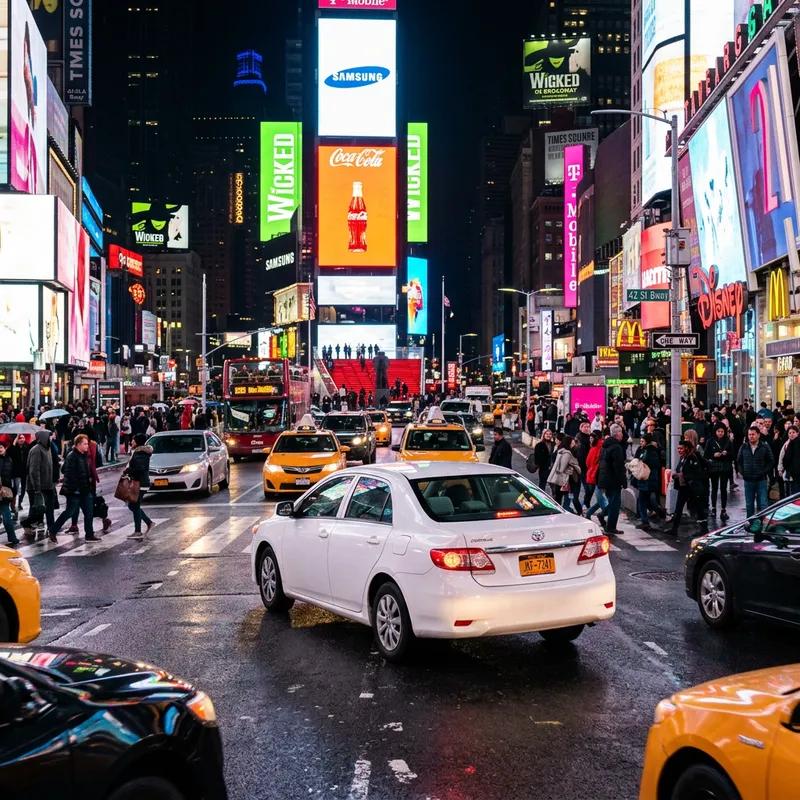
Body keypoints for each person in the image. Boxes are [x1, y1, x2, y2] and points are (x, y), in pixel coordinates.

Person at [48, 434, 96, 543]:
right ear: (78, 444)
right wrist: (76, 487)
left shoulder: (83, 455)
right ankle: (53, 530)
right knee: (69, 512)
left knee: (89, 513)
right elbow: (67, 471)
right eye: (85, 444)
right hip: (75, 490)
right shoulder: (72, 456)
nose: (87, 446)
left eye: (87, 444)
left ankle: (89, 534)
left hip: (85, 489)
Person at [21, 429, 57, 541]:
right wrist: (37, 488)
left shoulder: (48, 449)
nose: (50, 439)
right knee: (37, 510)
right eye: (49, 437)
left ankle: (52, 530)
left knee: (50, 510)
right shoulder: (36, 450)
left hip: (48, 485)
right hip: (38, 487)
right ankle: (26, 523)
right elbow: (34, 470)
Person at [737, 425, 774, 517]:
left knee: (763, 504)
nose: (751, 436)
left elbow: (771, 461)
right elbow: (739, 461)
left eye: (753, 434)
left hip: (761, 479)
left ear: (758, 435)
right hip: (748, 480)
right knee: (749, 505)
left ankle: (763, 523)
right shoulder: (744, 447)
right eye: (749, 434)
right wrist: (743, 473)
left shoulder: (764, 447)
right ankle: (750, 522)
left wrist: (763, 472)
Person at [123, 433, 154, 541]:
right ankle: (148, 522)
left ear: (137, 442)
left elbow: (140, 468)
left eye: (133, 440)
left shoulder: (140, 453)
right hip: (140, 483)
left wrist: (128, 470)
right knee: (133, 506)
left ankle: (138, 531)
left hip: (140, 483)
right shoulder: (140, 452)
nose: (131, 442)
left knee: (134, 506)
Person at [597, 424, 627, 535]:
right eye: (621, 433)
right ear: (618, 434)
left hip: (605, 478)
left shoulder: (605, 446)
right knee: (615, 504)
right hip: (613, 479)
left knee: (612, 501)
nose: (622, 435)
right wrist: (623, 481)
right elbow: (619, 466)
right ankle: (610, 526)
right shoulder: (616, 448)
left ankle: (603, 514)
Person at [633, 433, 664, 531]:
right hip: (645, 480)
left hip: (648, 479)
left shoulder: (651, 451)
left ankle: (645, 521)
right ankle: (659, 511)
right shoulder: (644, 450)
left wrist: (643, 462)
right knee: (647, 499)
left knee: (642, 500)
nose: (641, 443)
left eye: (642, 441)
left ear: (647, 442)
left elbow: (655, 464)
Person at [706, 423, 734, 520]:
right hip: (714, 468)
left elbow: (733, 455)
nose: (720, 433)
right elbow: (706, 454)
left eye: (722, 431)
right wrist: (714, 455)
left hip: (725, 467)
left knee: (723, 488)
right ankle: (713, 508)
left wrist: (727, 454)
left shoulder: (728, 441)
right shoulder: (710, 441)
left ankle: (723, 509)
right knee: (714, 488)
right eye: (718, 431)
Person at [547, 434, 581, 510]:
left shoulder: (560, 451)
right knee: (567, 498)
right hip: (566, 479)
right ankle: (572, 512)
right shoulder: (567, 453)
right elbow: (563, 467)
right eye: (572, 443)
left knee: (559, 498)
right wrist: (574, 467)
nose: (573, 445)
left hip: (558, 478)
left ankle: (559, 511)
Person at [583, 432, 608, 527]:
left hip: (595, 474)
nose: (590, 440)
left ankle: (590, 513)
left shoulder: (596, 448)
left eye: (592, 438)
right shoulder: (598, 447)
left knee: (600, 497)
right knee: (600, 497)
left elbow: (588, 462)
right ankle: (604, 514)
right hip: (597, 474)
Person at [0, 443, 19, 546]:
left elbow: (11, 474)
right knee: (6, 515)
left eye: (1, 447)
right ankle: (12, 537)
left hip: (4, 491)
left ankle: (12, 537)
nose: (0, 449)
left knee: (7, 515)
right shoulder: (7, 460)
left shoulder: (8, 459)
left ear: (5, 448)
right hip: (3, 489)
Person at [781, 425, 800, 497]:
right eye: (790, 433)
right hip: (794, 474)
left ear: (797, 433)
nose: (791, 434)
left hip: (795, 474)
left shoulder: (793, 443)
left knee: (795, 497)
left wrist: (788, 469)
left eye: (793, 432)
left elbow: (787, 458)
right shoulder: (789, 443)